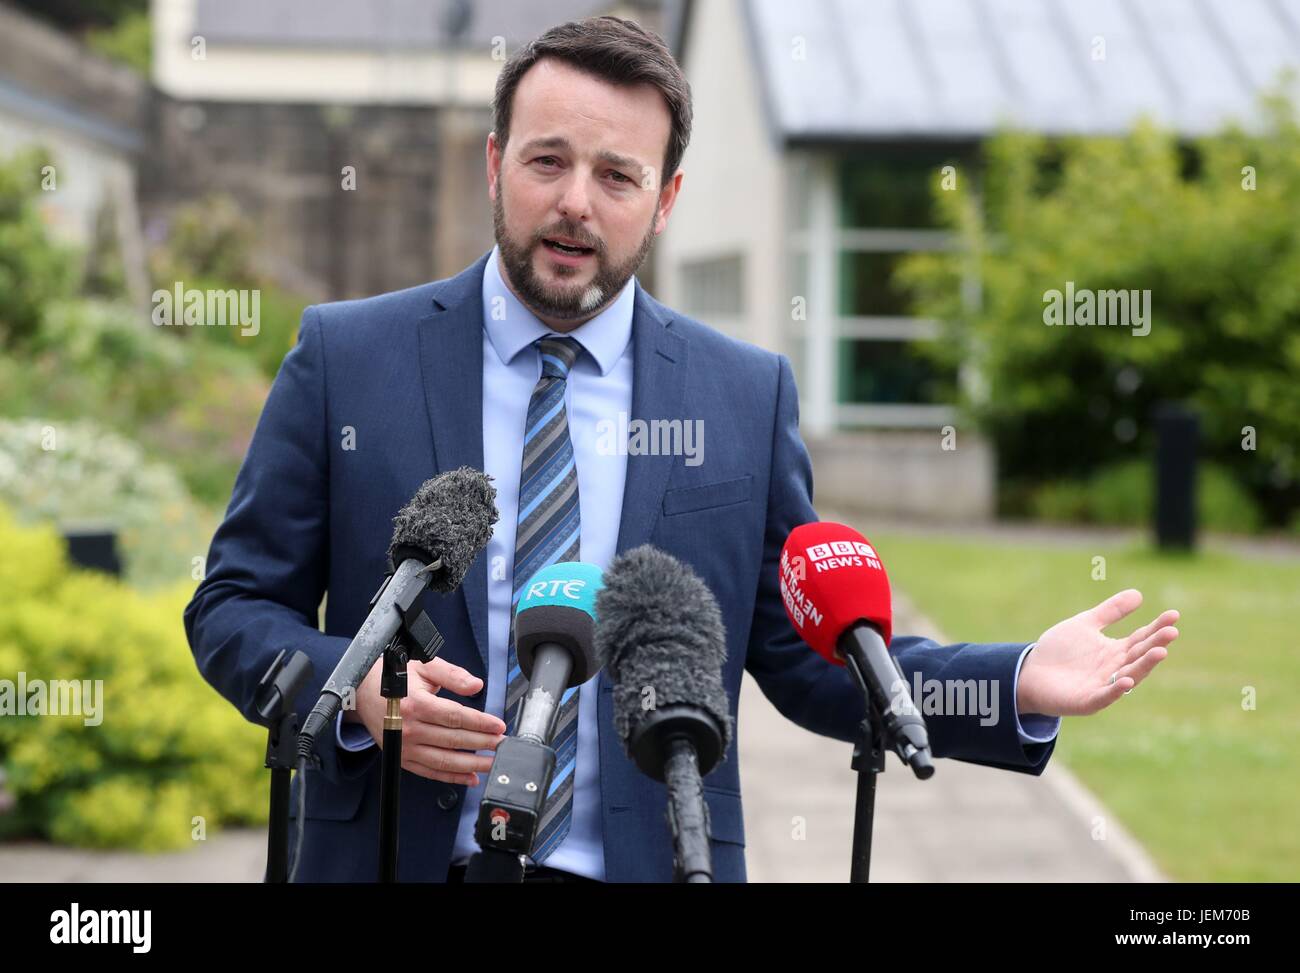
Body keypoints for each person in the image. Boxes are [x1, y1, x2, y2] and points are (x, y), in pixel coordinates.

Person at [184, 16, 1178, 883]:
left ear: (663, 201)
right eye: (547, 161)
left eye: (616, 174)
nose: (576, 201)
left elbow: (806, 652)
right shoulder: (348, 357)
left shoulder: (745, 395)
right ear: (495, 165)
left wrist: (1010, 682)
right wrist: (352, 689)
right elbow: (232, 605)